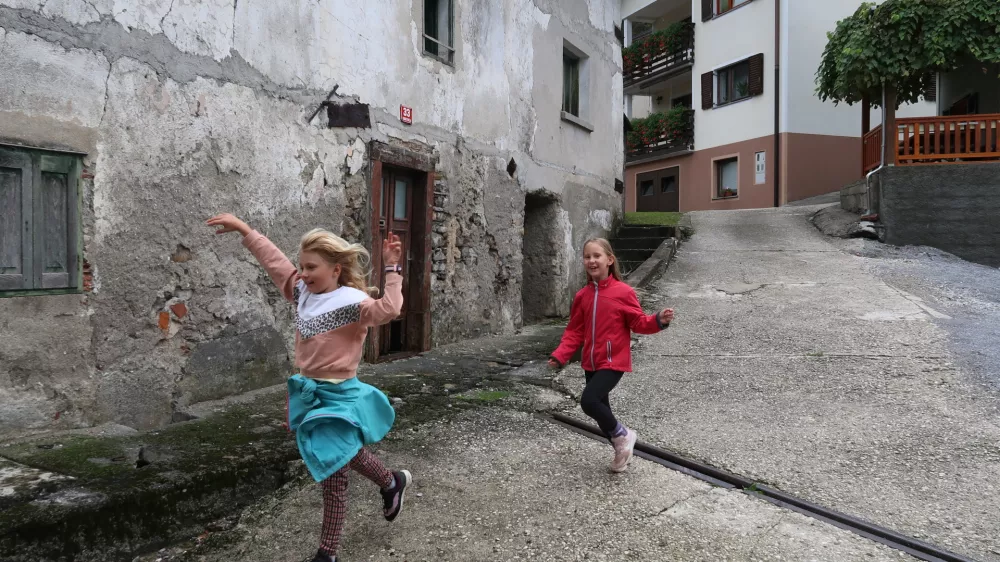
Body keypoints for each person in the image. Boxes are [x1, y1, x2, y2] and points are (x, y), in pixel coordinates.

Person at [207, 213, 411, 562]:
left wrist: (392, 269)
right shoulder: (303, 291)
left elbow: (389, 309)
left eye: (312, 267)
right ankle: (391, 481)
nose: (303, 273)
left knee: (333, 471)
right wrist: (245, 230)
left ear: (335, 269)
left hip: (340, 397)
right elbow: (276, 264)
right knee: (342, 454)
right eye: (301, 266)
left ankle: (327, 554)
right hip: (310, 394)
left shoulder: (353, 302)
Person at [548, 238, 674, 473]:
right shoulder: (582, 296)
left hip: (613, 360)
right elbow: (574, 331)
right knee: (600, 411)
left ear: (609, 260)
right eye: (587, 257)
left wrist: (658, 321)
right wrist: (560, 355)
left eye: (597, 256)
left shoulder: (623, 292)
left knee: (589, 401)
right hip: (591, 362)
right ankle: (620, 447)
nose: (592, 260)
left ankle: (624, 436)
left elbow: (638, 322)